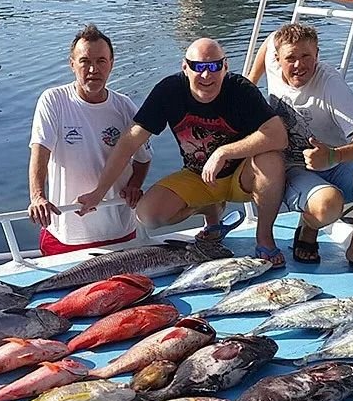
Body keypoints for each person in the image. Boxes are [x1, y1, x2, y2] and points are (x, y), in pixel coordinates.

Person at [76, 38, 288, 267]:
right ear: (185, 67)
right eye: (198, 67)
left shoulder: (240, 90)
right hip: (198, 176)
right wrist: (100, 191)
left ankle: (264, 238)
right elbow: (129, 142)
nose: (206, 75)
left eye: (214, 66)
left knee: (271, 160)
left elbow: (278, 135)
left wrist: (224, 152)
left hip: (242, 178)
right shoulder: (169, 91)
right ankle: (211, 208)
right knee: (148, 215)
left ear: (225, 66)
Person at [248, 23, 353, 281]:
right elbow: (270, 40)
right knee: (328, 205)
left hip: (332, 160)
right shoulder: (273, 53)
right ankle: (310, 225)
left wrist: (333, 156)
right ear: (278, 58)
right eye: (290, 58)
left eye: (306, 56)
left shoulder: (331, 84)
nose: (299, 65)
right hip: (293, 167)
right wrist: (250, 83)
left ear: (317, 54)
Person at [27, 24, 152, 256]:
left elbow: (143, 158)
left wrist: (135, 184)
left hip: (119, 231)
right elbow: (40, 152)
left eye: (101, 61)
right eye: (85, 61)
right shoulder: (53, 101)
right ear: (72, 64)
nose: (93, 69)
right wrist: (38, 196)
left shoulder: (125, 107)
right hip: (65, 233)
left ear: (112, 64)